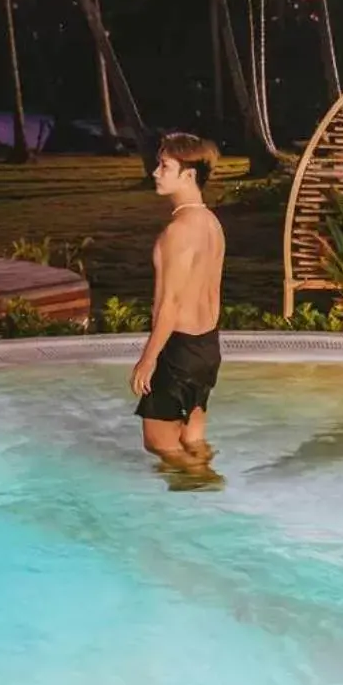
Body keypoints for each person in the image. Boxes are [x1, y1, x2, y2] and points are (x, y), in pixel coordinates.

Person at [132, 132, 225, 468]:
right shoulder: (212, 224)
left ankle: (209, 490)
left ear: (188, 175)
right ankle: (207, 498)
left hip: (179, 350)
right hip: (207, 347)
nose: (155, 172)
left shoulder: (179, 231)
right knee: (192, 441)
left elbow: (169, 303)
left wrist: (148, 359)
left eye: (164, 166)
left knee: (160, 445)